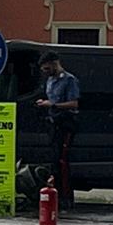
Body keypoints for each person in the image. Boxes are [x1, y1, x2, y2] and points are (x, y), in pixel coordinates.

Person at [35, 52, 81, 205]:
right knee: (54, 160)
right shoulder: (50, 80)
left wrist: (53, 105)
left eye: (47, 68)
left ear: (55, 63)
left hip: (66, 123)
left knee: (63, 161)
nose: (45, 72)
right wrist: (45, 102)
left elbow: (74, 104)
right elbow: (52, 99)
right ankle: (56, 193)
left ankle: (66, 197)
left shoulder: (69, 80)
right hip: (53, 123)